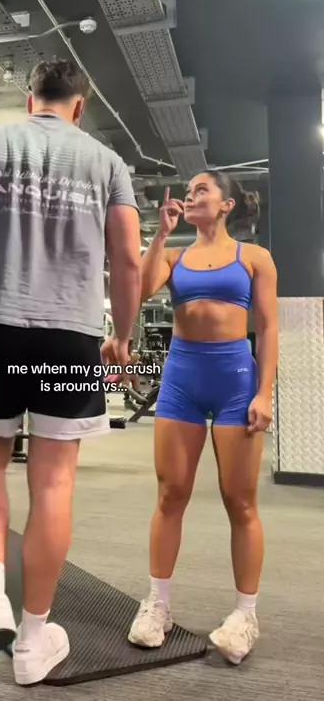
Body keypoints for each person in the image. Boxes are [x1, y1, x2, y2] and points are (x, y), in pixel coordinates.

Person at [0, 58, 141, 685]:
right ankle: (31, 639)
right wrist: (122, 336)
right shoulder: (107, 162)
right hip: (71, 337)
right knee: (53, 484)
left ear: (30, 99)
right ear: (80, 105)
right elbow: (127, 259)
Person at [122, 171, 278, 665]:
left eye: (201, 190)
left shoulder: (254, 257)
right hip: (181, 380)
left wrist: (265, 393)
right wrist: (160, 236)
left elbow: (268, 328)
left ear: (227, 204)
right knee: (170, 495)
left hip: (235, 381)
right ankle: (158, 605)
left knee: (241, 501)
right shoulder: (173, 256)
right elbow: (138, 292)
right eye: (187, 192)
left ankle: (245, 615)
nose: (190, 196)